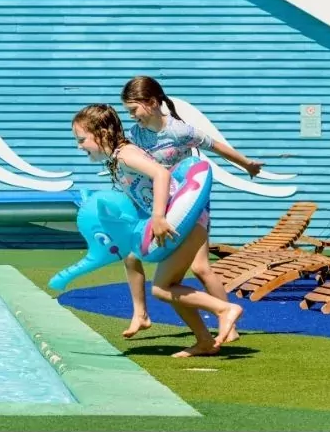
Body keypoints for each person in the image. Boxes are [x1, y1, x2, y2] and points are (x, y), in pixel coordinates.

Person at [72, 104, 242, 357]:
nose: (79, 146)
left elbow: (161, 174)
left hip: (181, 223)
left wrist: (159, 217)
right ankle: (204, 341)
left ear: (102, 133)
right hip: (182, 224)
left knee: (162, 288)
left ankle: (224, 309)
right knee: (168, 283)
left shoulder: (125, 155)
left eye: (82, 139)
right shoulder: (118, 158)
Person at [119, 75, 263, 342]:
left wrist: (247, 165)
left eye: (133, 109)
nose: (132, 116)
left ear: (151, 103)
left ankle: (228, 324)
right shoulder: (135, 135)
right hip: (164, 203)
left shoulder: (179, 131)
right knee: (130, 255)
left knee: (201, 267)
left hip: (191, 203)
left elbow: (216, 147)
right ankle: (140, 313)